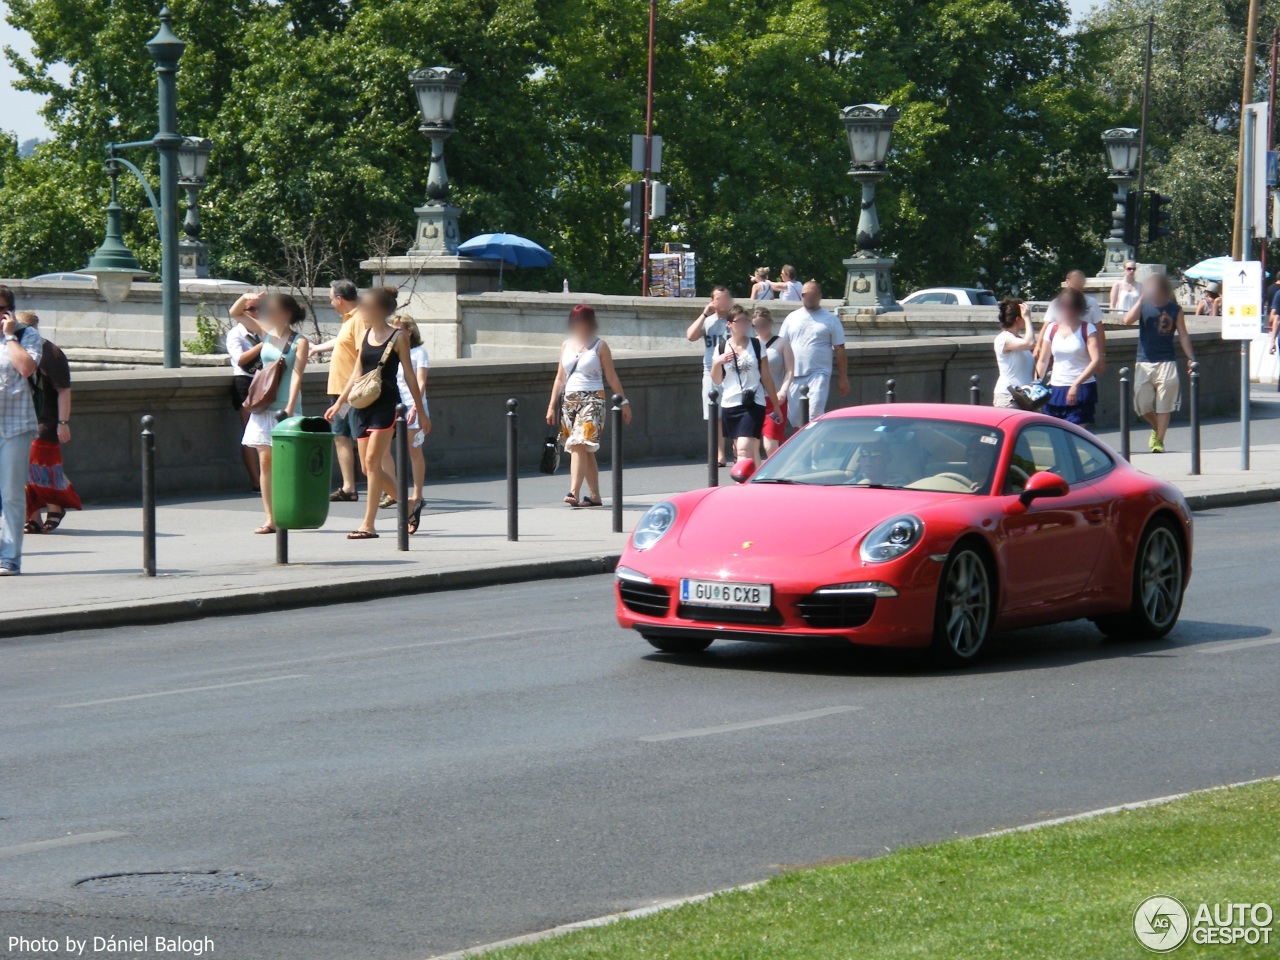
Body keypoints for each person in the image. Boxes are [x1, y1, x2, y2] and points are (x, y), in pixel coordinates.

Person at [325, 287, 428, 539]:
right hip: (362, 407)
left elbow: (410, 376)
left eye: (366, 305)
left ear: (380, 309)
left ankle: (368, 525)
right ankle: (409, 505)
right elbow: (356, 372)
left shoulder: (398, 337)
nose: (362, 309)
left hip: (385, 406)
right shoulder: (366, 334)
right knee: (365, 467)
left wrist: (420, 410)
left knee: (372, 463)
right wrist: (340, 404)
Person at [229, 292, 310, 534]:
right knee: (265, 461)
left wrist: (291, 406)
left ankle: (291, 509)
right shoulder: (266, 331)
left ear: (286, 313)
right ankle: (270, 518)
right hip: (264, 405)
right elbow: (235, 313)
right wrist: (245, 297)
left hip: (286, 407)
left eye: (272, 309)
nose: (267, 313)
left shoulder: (299, 341)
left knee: (286, 464)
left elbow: (297, 375)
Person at [545, 304, 632, 507]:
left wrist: (624, 402)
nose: (578, 325)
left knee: (578, 443)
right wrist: (551, 405)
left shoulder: (600, 346)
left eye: (582, 321)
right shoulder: (566, 344)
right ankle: (595, 496)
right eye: (575, 321)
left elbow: (611, 377)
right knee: (584, 448)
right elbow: (560, 377)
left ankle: (573, 491)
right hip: (569, 400)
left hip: (593, 399)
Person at [18, 312, 79, 534]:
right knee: (20, 470)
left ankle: (56, 505)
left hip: (45, 422)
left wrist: (63, 422)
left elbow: (63, 390)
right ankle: (32, 516)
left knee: (40, 469)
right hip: (21, 418)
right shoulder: (17, 350)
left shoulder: (51, 353)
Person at [1123, 273, 1195, 454]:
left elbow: (1183, 335)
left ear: (1163, 289)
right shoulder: (1144, 305)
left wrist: (1191, 357)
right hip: (1144, 361)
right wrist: (1141, 299)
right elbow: (1127, 320)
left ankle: (1159, 442)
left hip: (1167, 361)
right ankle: (1156, 427)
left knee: (1165, 404)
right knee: (1142, 404)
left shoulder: (1174, 309)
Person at [0, 286, 42, 575]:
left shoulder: (27, 335)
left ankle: (9, 558)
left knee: (11, 493)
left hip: (14, 426)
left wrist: (10, 335)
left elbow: (26, 368)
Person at [310, 280, 362, 501]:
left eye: (331, 298)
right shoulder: (350, 318)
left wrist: (344, 398)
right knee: (341, 435)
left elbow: (362, 354)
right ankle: (348, 487)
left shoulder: (359, 318)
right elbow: (343, 342)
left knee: (362, 439)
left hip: (350, 393)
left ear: (340, 299)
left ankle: (387, 489)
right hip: (340, 391)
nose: (331, 303)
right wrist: (317, 348)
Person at [379, 315, 431, 534]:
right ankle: (395, 490)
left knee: (413, 451)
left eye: (398, 328)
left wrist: (415, 408)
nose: (394, 332)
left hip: (412, 405)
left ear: (409, 331)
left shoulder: (419, 353)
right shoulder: (392, 352)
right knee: (382, 451)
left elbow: (420, 381)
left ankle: (417, 494)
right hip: (394, 404)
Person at [711, 308, 783, 467]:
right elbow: (717, 380)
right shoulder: (721, 348)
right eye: (740, 321)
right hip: (730, 404)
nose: (744, 325)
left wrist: (776, 406)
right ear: (729, 324)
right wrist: (718, 362)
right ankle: (755, 483)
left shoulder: (757, 345)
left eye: (746, 321)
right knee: (744, 449)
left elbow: (767, 378)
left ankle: (742, 483)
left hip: (753, 402)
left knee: (744, 448)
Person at [778, 281, 849, 425]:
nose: (807, 297)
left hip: (819, 374)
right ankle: (805, 447)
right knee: (797, 420)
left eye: (811, 295)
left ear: (819, 296)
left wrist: (843, 377)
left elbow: (840, 349)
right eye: (804, 295)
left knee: (814, 417)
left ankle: (815, 448)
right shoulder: (791, 318)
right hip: (794, 375)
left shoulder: (830, 319)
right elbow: (781, 346)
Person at [1035, 288, 1102, 426]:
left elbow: (1096, 360)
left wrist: (1076, 384)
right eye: (1063, 305)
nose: (1066, 309)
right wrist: (1035, 384)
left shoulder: (1088, 328)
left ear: (1078, 307)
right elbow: (1043, 360)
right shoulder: (1052, 329)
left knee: (1075, 434)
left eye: (1070, 305)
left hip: (1081, 387)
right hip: (1056, 387)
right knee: (1056, 436)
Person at [685, 286, 733, 466]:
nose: (723, 302)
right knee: (715, 414)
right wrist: (704, 314)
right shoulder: (708, 321)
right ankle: (719, 453)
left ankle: (737, 450)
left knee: (734, 412)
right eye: (719, 299)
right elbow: (690, 336)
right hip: (711, 370)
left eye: (726, 298)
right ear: (712, 301)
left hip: (734, 372)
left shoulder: (735, 320)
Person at [226, 313, 263, 491]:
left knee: (264, 431)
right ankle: (255, 480)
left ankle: (266, 478)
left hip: (262, 380)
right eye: (252, 309)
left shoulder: (261, 331)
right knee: (249, 432)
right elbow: (240, 360)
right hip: (245, 381)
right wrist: (263, 345)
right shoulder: (236, 334)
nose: (257, 312)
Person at [752, 306, 794, 457]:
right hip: (754, 399)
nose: (759, 328)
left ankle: (774, 475)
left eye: (763, 324)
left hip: (774, 399)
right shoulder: (750, 344)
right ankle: (754, 476)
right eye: (755, 325)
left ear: (770, 323)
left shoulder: (781, 343)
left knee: (770, 444)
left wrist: (783, 390)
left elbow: (790, 370)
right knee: (751, 444)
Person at [1044, 269, 1106, 368]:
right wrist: (1038, 347)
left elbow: (1099, 329)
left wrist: (1102, 355)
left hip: (1085, 351)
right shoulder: (1056, 303)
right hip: (1061, 351)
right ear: (1067, 282)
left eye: (1080, 281)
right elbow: (1046, 327)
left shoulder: (1091, 302)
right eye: (1075, 281)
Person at [992, 298, 1036, 408]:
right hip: (1008, 397)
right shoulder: (1003, 339)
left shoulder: (1018, 339)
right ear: (1018, 319)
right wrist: (1028, 319)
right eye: (1023, 317)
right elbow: (1030, 342)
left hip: (1025, 397)